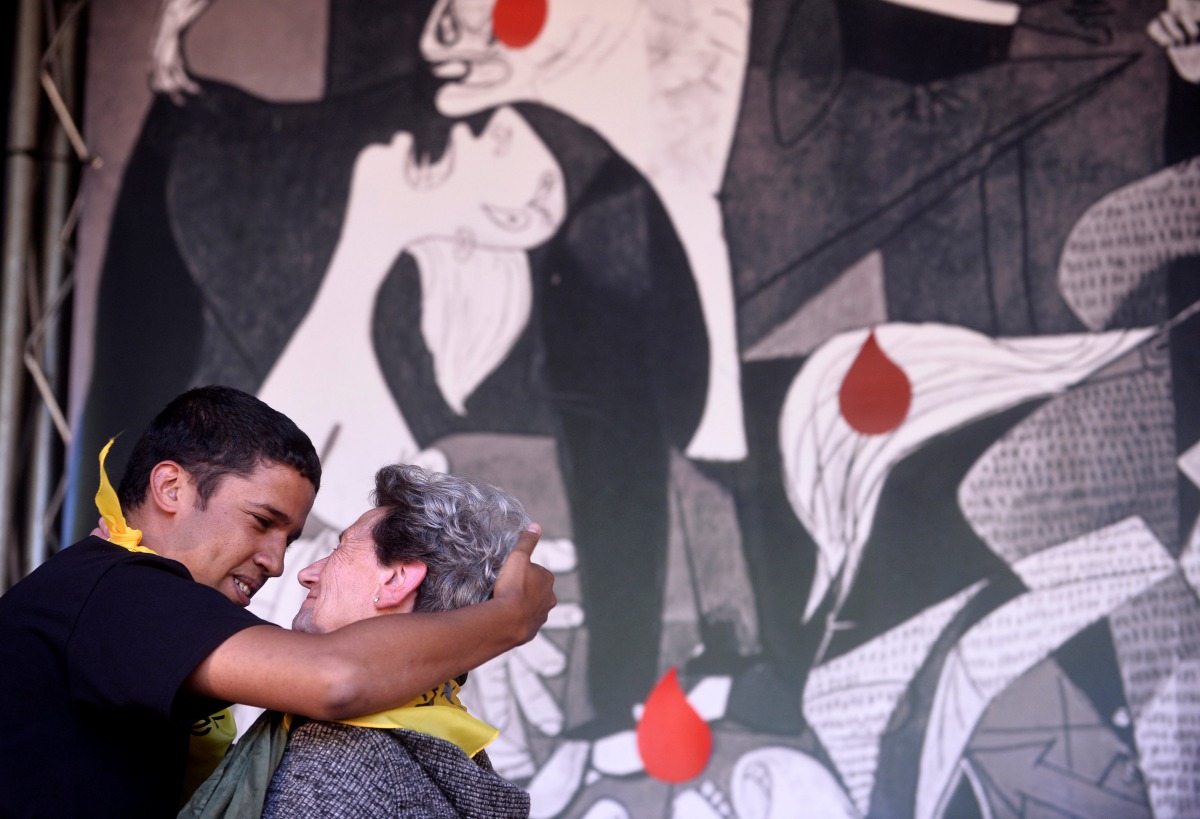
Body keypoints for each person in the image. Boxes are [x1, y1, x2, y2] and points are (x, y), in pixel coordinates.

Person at [0, 386, 555, 818]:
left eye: (290, 539)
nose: (280, 563)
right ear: (171, 489)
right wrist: (507, 618)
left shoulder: (357, 766)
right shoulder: (121, 591)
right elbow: (335, 676)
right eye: (262, 522)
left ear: (399, 582)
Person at [185, 463, 534, 817]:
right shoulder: (445, 754)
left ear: (396, 581)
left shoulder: (334, 763)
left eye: (341, 548)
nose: (307, 573)